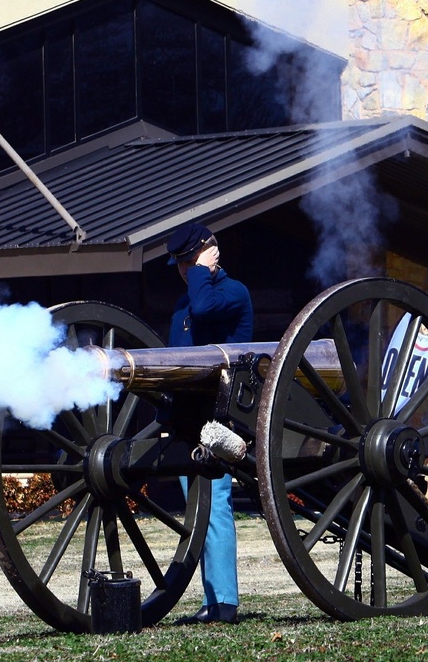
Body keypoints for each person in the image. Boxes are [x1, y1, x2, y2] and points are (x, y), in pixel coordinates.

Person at [167, 223, 253, 625]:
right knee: (197, 510)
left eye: (191, 261)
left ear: (210, 255)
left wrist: (204, 268)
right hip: (188, 421)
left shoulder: (232, 293)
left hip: (221, 419)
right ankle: (211, 599)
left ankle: (225, 603)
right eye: (182, 265)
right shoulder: (181, 310)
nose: (185, 271)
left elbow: (204, 307)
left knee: (215, 505)